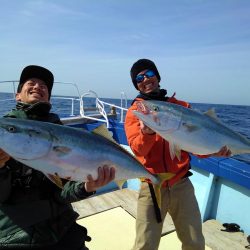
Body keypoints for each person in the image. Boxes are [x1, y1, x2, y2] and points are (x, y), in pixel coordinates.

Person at [0, 65, 116, 250]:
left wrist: (87, 186)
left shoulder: (60, 130)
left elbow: (63, 192)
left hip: (65, 229)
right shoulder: (7, 132)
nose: (38, 86)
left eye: (44, 85)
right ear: (17, 95)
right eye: (31, 83)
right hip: (17, 237)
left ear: (49, 98)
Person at [125, 59, 231, 250]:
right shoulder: (136, 111)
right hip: (151, 186)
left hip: (181, 183)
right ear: (136, 84)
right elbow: (137, 149)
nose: (145, 80)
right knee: (145, 245)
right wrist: (147, 134)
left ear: (157, 77)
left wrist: (215, 151)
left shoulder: (182, 106)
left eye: (149, 74)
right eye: (139, 78)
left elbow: (196, 145)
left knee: (194, 242)